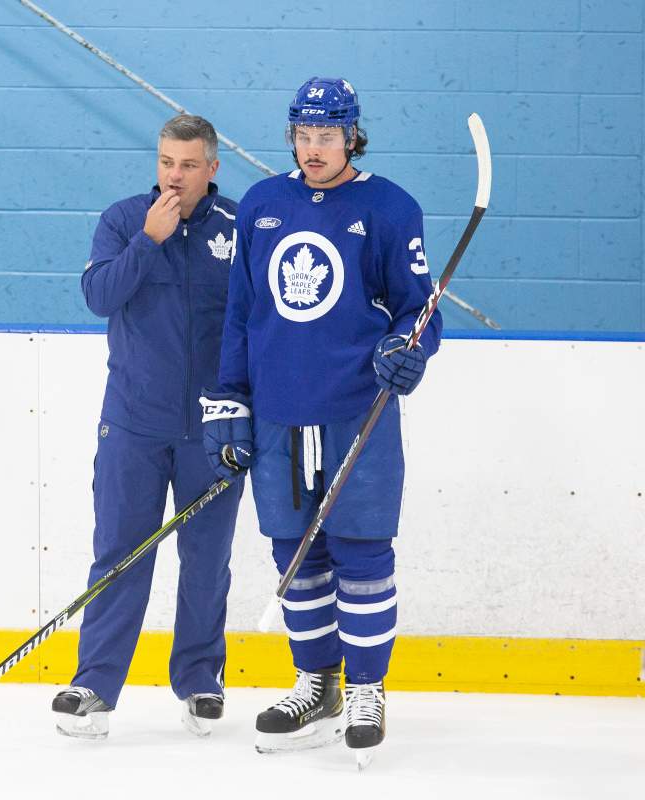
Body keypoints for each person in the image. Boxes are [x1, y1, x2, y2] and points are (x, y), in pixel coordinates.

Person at [201, 76, 441, 766]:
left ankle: (367, 688)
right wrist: (229, 401)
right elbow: (243, 313)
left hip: (354, 410)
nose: (313, 149)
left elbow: (418, 311)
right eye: (303, 136)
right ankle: (317, 684)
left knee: (362, 551)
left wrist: (407, 349)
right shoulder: (262, 203)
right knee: (294, 554)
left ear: (352, 136)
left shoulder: (391, 208)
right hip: (277, 413)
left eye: (327, 137)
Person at [52, 114, 245, 740]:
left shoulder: (240, 230)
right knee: (119, 554)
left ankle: (200, 681)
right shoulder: (123, 218)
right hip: (133, 425)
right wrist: (148, 241)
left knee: (206, 560)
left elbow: (258, 327)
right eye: (166, 162)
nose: (174, 176)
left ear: (212, 168)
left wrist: (247, 412)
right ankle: (95, 685)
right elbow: (98, 296)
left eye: (188, 165)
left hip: (215, 432)